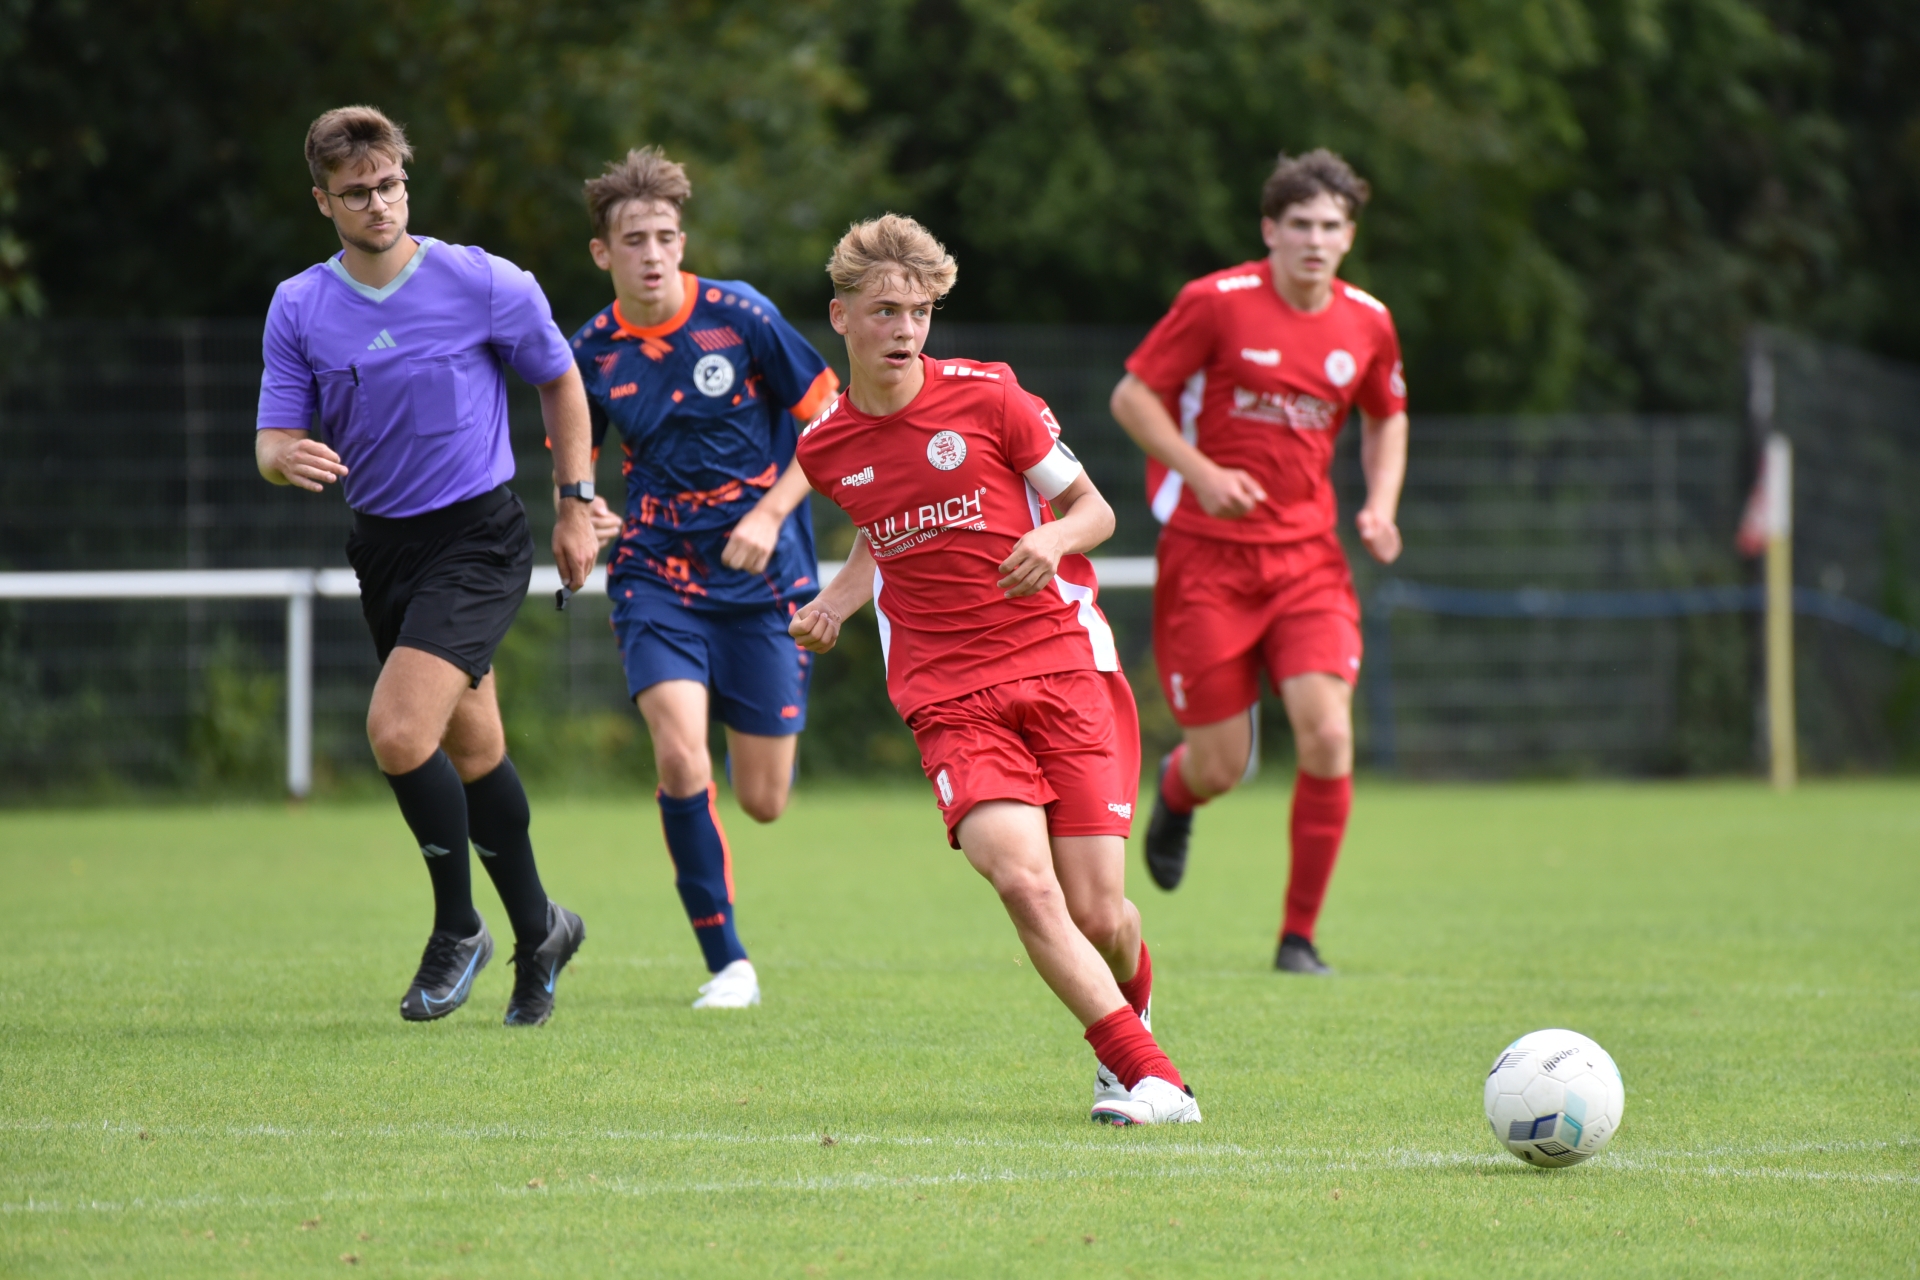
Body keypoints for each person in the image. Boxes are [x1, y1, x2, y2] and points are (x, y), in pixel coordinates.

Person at [790, 214, 1199, 1125]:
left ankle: (1131, 1029)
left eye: (920, 312)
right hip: (947, 695)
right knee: (1020, 879)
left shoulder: (991, 397)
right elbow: (881, 528)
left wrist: (1051, 540)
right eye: (885, 311)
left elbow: (1094, 510)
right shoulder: (825, 447)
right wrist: (835, 604)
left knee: (1101, 914)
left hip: (1061, 665)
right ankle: (1152, 1077)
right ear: (842, 316)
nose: (904, 329)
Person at [255, 105, 594, 1025]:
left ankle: (459, 928)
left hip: (479, 539)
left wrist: (573, 504)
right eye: (356, 193)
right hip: (382, 548)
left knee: (400, 734)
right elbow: (273, 438)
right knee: (474, 749)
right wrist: (283, 458)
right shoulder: (299, 306)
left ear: (407, 182)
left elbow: (560, 379)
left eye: (391, 185)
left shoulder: (483, 281)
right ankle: (543, 930)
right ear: (322, 201)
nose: (379, 204)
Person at [1110, 148, 1409, 976]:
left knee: (1328, 734)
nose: (1315, 239)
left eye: (1331, 226)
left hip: (1309, 561)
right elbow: (1132, 397)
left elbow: (1387, 414)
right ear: (1270, 230)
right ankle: (1177, 792)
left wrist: (1381, 505)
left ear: (1349, 237)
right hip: (1207, 563)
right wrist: (1202, 474)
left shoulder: (1368, 322)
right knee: (1223, 764)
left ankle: (1297, 939)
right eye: (1300, 224)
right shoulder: (1216, 303)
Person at [566, 148, 840, 1009]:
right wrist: (588, 514)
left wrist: (770, 513)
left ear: (682, 242)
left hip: (765, 584)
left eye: (665, 237)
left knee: (763, 800)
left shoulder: (743, 316)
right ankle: (729, 963)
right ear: (603, 253)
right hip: (655, 574)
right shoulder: (589, 353)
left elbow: (833, 424)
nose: (652, 253)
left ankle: (742, 706)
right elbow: (577, 471)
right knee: (680, 754)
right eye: (634, 240)